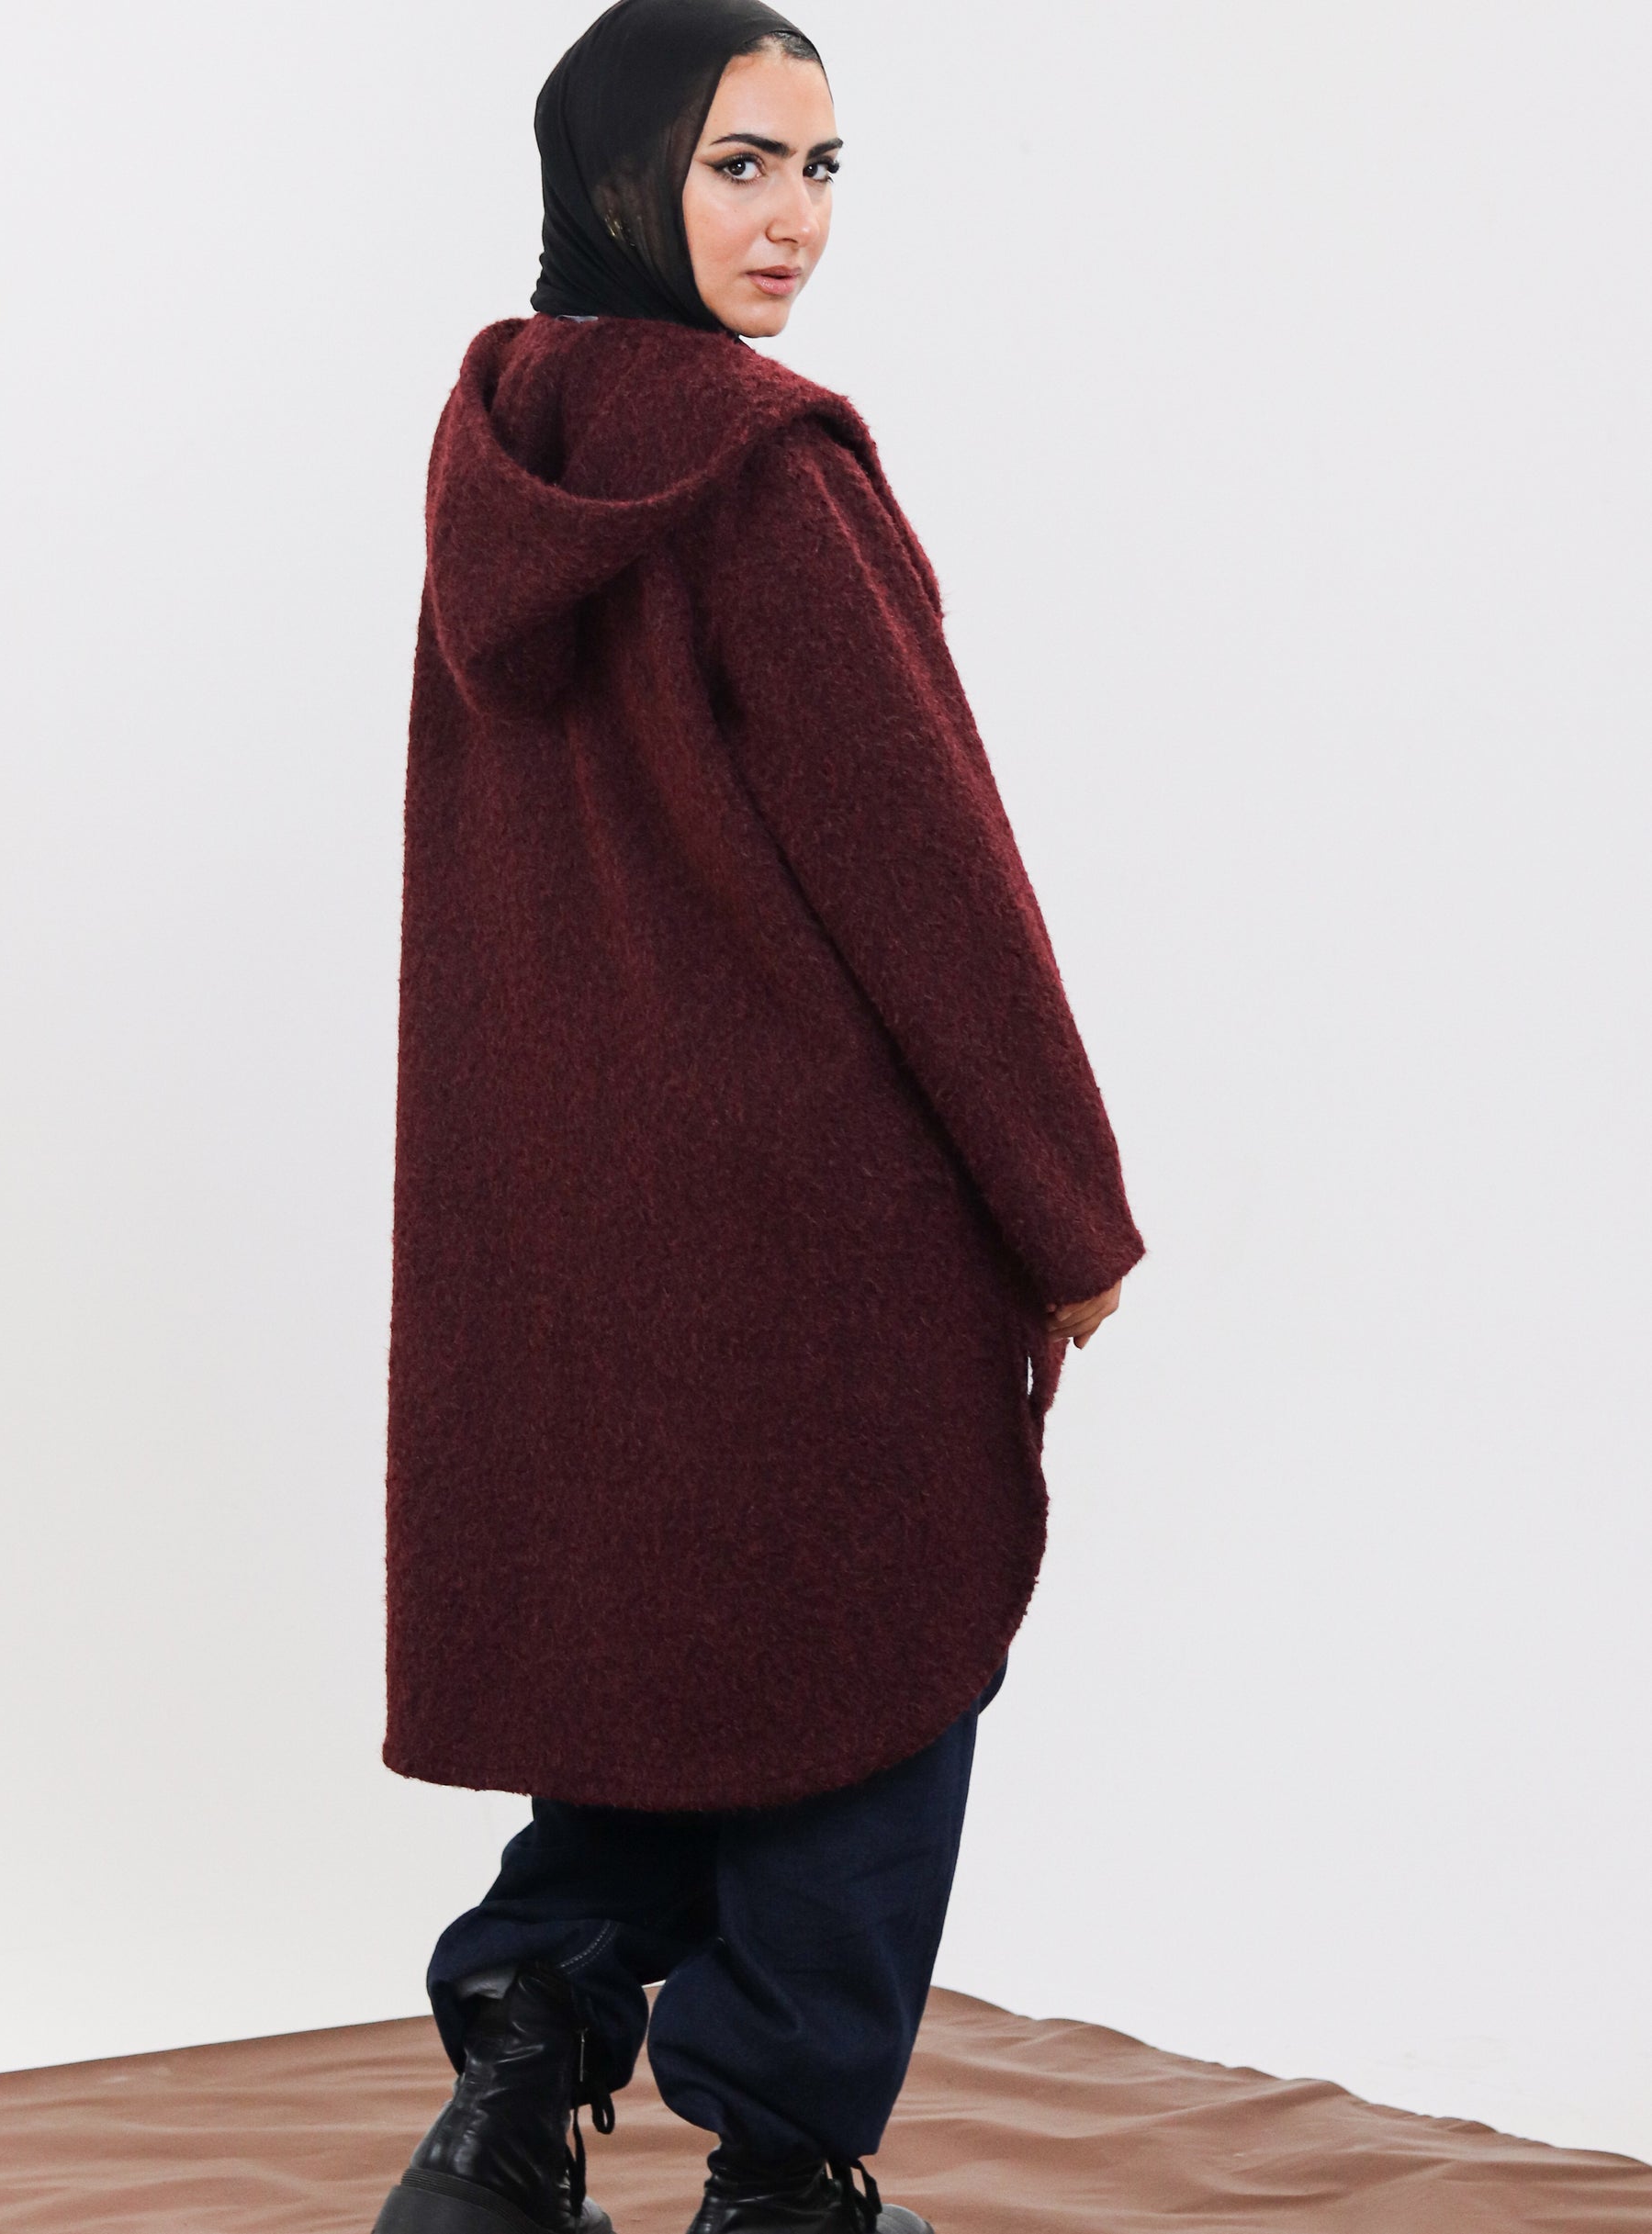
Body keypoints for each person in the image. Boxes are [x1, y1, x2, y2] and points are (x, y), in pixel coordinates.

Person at [373, 5, 1143, 2230]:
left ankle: (510, 2094)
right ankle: (787, 2175)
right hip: (818, 1216)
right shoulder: (764, 470)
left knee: (652, 1662)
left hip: (570, 1209)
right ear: (624, 176)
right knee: (867, 1668)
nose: (791, 219)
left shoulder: (499, 455)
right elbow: (935, 880)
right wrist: (1065, 1210)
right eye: (737, 164)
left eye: (819, 168)